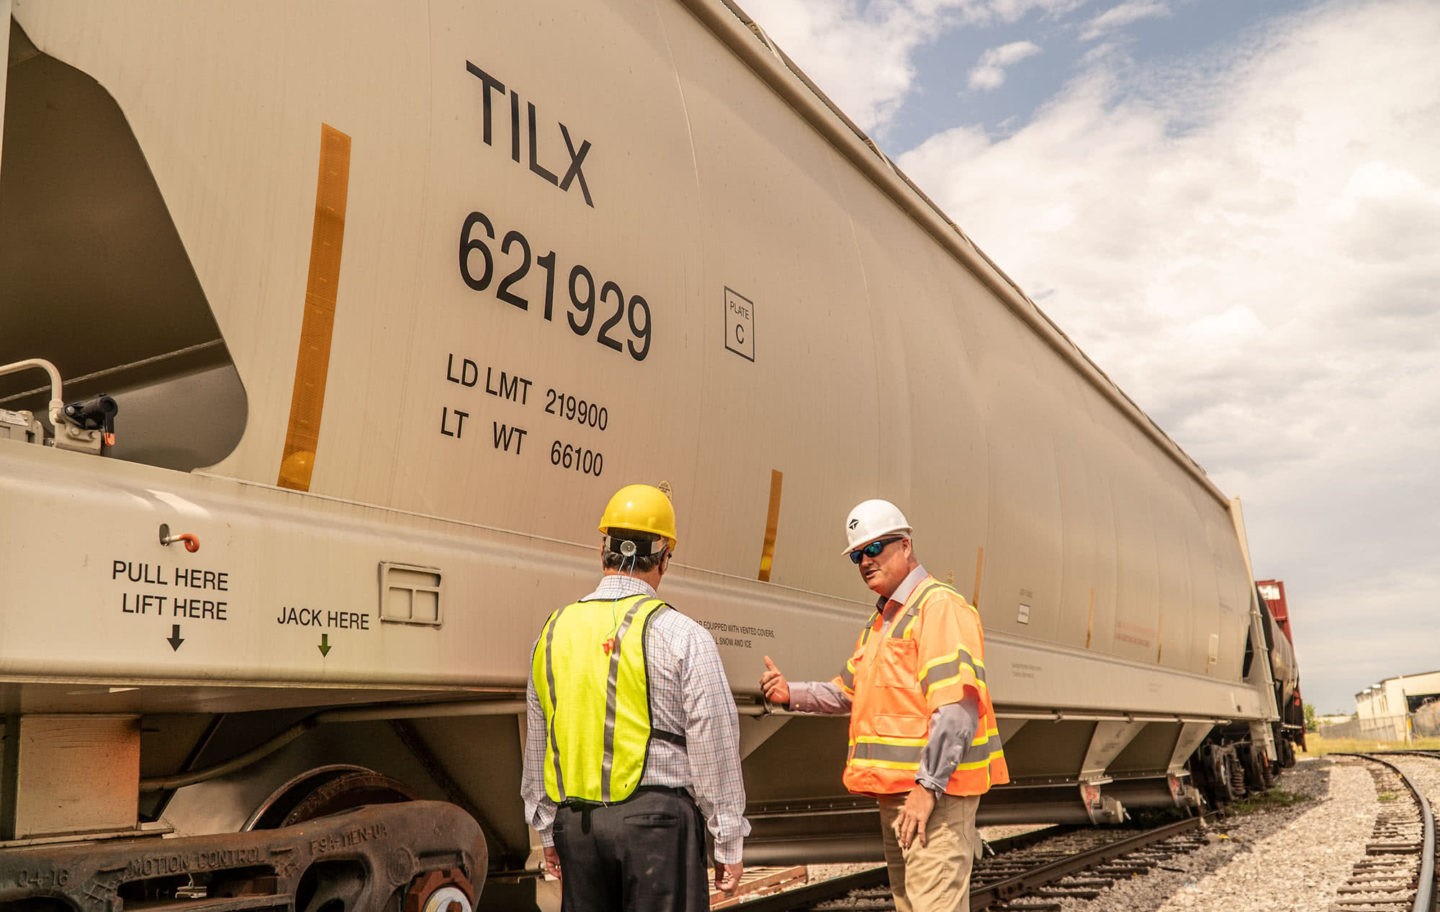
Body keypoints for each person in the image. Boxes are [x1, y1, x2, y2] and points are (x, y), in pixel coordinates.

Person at [759, 499, 1008, 912]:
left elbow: (956, 709)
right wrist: (790, 693)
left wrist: (927, 789)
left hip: (935, 798)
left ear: (905, 545)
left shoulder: (938, 607)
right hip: (899, 796)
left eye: (874, 548)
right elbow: (846, 692)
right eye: (857, 555)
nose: (865, 561)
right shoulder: (883, 622)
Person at [522, 483, 749, 912]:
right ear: (664, 558)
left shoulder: (552, 633)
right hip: (657, 827)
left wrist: (546, 829)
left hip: (578, 827)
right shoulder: (683, 636)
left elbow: (541, 743)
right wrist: (728, 839)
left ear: (602, 551)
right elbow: (713, 740)